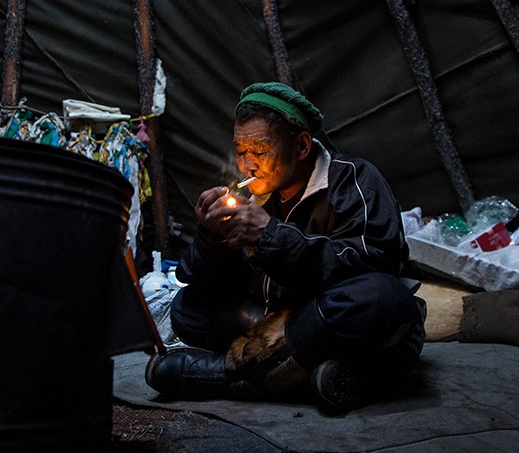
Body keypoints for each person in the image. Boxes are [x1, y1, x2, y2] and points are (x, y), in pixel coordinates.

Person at [145, 81, 426, 414]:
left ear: (301, 146)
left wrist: (271, 237)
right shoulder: (254, 198)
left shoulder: (353, 179)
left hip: (331, 317)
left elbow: (374, 262)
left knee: (381, 295)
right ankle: (312, 373)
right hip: (281, 324)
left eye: (260, 150)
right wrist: (211, 236)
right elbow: (200, 279)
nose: (247, 165)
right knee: (187, 308)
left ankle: (218, 375)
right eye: (240, 150)